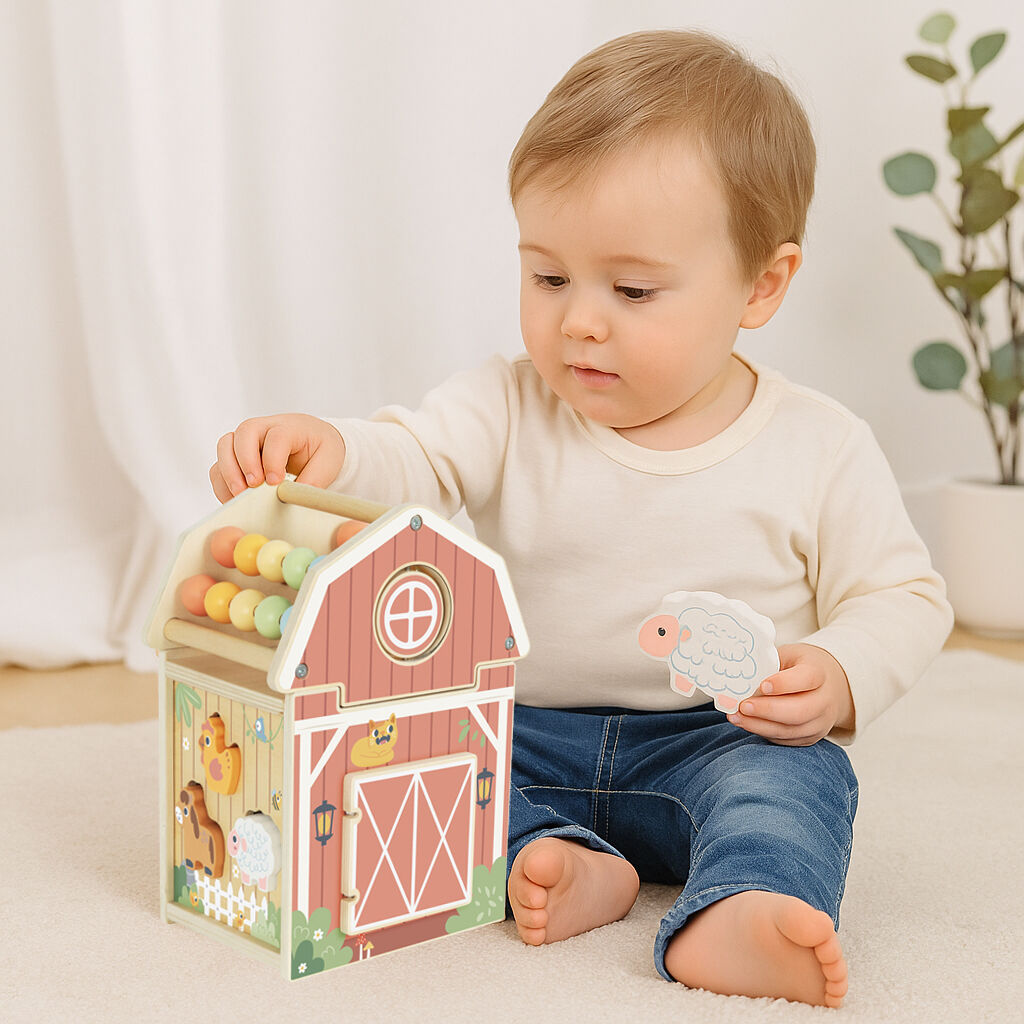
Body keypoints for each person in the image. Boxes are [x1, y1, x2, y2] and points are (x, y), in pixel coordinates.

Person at [209, 29, 952, 1008]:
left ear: (761, 285)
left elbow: (902, 592)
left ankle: (742, 903)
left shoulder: (819, 444)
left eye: (632, 289)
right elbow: (417, 460)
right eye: (548, 276)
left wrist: (842, 670)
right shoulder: (509, 403)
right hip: (519, 725)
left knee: (798, 782)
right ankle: (563, 857)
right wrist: (332, 451)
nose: (578, 320)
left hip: (718, 734)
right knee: (407, 753)